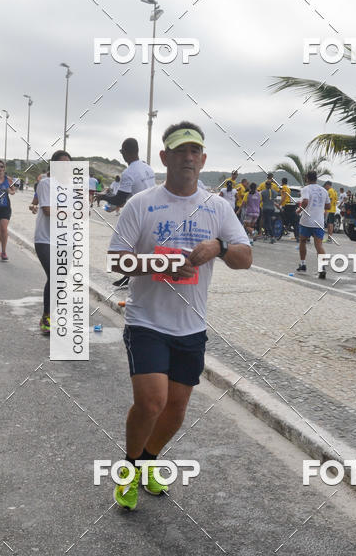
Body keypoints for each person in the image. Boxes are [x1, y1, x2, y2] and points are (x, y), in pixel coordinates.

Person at [107, 121, 252, 510]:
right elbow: (117, 259)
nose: (187, 157)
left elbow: (246, 258)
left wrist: (220, 246)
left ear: (203, 160)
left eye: (194, 151)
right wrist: (161, 264)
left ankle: (148, 461)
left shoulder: (218, 207)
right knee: (152, 402)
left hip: (191, 325)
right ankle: (128, 469)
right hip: (146, 321)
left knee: (175, 410)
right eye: (179, 150)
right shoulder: (142, 204)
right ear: (164, 157)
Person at [34, 150, 72, 334]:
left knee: (60, 280)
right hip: (46, 240)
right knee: (56, 276)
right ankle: (47, 317)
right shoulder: (46, 183)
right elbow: (48, 211)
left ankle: (51, 315)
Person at [110, 138, 156, 287]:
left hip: (139, 213)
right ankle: (129, 276)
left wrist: (103, 196)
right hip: (154, 210)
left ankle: (131, 277)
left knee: (125, 247)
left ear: (124, 152)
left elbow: (119, 199)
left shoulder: (128, 172)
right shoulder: (147, 167)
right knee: (140, 246)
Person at [296, 171, 330, 279]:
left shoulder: (306, 188)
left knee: (302, 241)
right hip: (319, 221)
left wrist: (299, 210)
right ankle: (322, 268)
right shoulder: (324, 190)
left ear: (307, 178)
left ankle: (303, 264)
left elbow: (305, 201)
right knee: (319, 245)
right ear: (316, 178)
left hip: (307, 221)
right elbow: (328, 206)